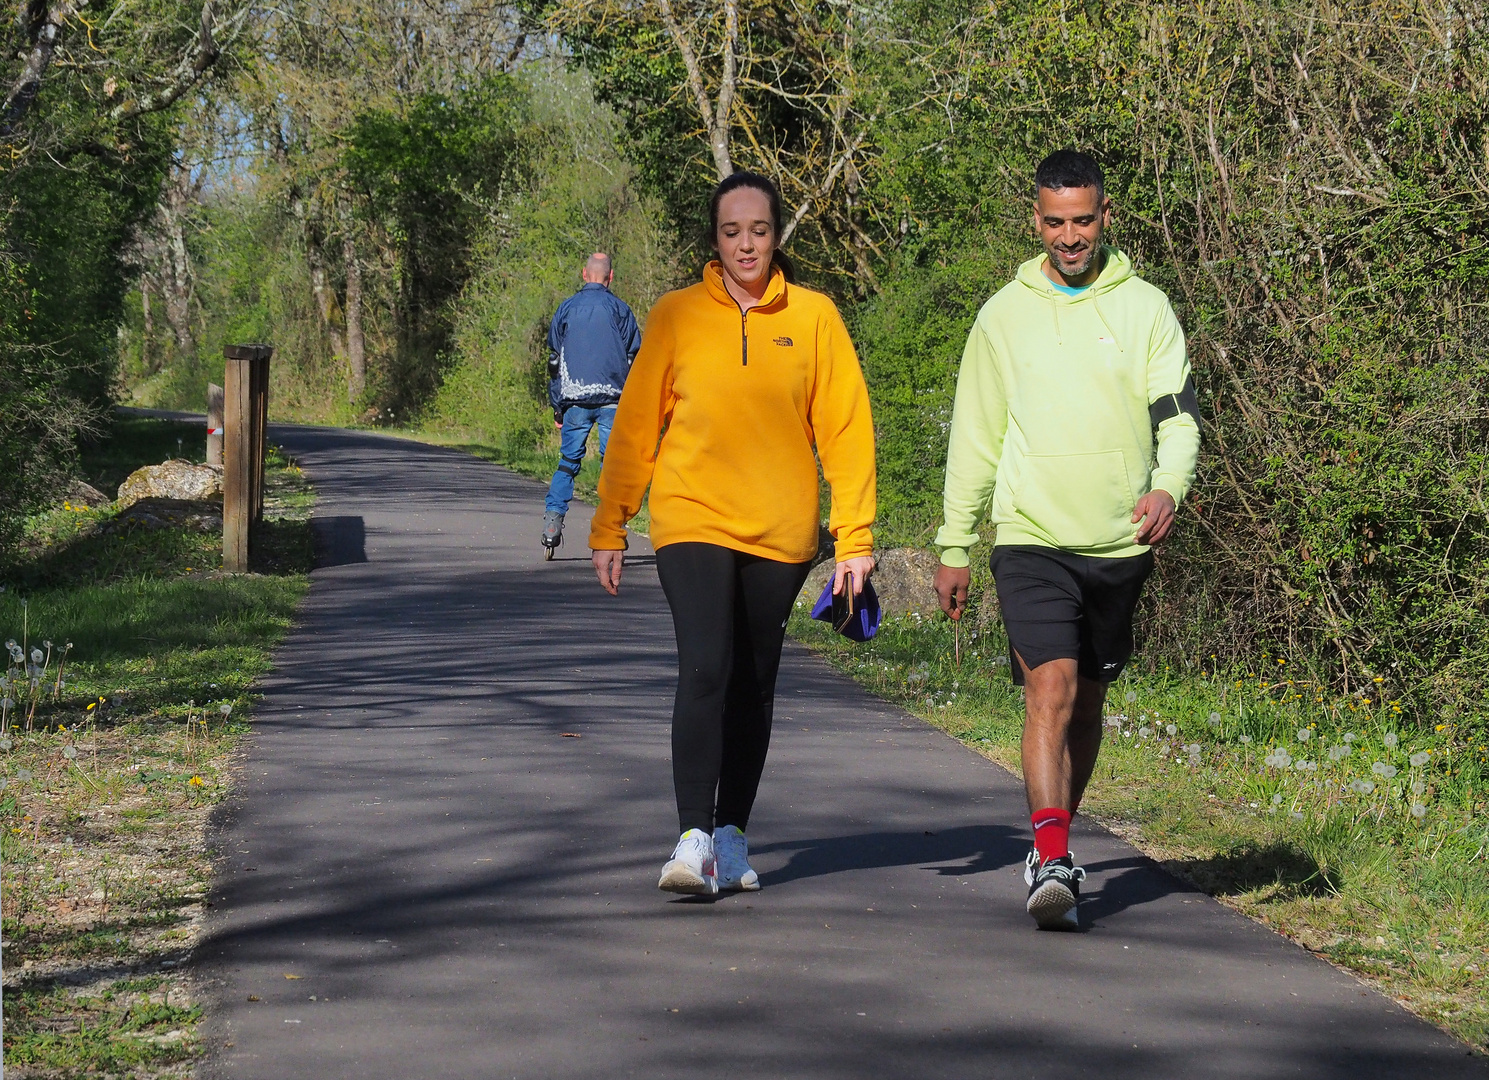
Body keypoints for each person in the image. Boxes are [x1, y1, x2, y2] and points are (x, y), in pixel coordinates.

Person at [932, 149, 1201, 929]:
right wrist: (954, 544)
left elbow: (1177, 417)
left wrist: (1166, 486)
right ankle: (1051, 860)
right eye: (1055, 223)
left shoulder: (1145, 307)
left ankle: (1056, 839)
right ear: (1035, 223)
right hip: (1030, 533)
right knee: (1047, 687)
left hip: (1118, 540)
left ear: (1104, 218)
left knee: (1087, 701)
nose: (1069, 236)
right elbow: (975, 438)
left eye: (1082, 220)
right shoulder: (1001, 316)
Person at [589, 172, 877, 895]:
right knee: (706, 666)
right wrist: (611, 520)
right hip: (691, 516)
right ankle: (690, 840)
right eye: (730, 231)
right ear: (712, 240)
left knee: (753, 682)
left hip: (780, 531)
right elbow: (634, 427)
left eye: (757, 230)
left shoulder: (813, 317)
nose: (745, 243)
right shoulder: (675, 315)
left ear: (776, 234)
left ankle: (731, 836)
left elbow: (845, 430)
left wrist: (854, 539)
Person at [541, 252, 642, 557]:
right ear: (610, 278)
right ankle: (610, 533)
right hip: (613, 400)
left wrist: (557, 405)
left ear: (584, 274)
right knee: (611, 467)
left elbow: (554, 362)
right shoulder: (621, 310)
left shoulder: (566, 308)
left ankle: (552, 523)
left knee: (567, 463)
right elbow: (635, 358)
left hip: (575, 400)